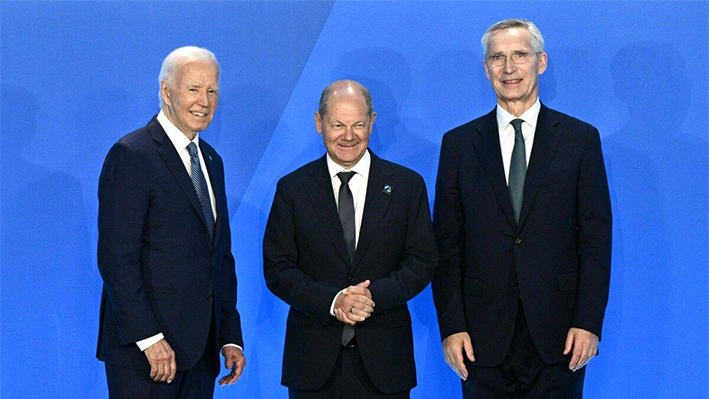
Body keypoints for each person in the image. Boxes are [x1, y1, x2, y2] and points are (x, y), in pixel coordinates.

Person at [432, 19, 612, 399]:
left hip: (560, 337)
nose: (508, 68)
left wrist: (588, 323)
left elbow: (595, 242)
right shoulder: (459, 145)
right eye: (497, 57)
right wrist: (452, 326)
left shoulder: (580, 140)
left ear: (541, 62)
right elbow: (446, 246)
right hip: (480, 340)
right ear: (486, 69)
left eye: (520, 55)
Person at [263, 80, 438, 398]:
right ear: (319, 123)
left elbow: (421, 261)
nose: (348, 136)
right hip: (313, 366)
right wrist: (333, 301)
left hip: (386, 364)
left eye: (358, 124)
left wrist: (369, 299)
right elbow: (278, 269)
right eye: (337, 125)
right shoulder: (293, 189)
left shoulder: (407, 186)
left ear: (372, 122)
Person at [96, 46, 246, 398]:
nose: (204, 101)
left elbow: (219, 257)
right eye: (193, 89)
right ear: (166, 91)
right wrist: (149, 339)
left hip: (200, 354)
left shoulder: (211, 160)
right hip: (145, 356)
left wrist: (228, 335)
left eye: (212, 91)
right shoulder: (133, 154)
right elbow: (117, 259)